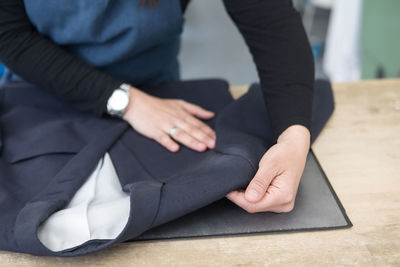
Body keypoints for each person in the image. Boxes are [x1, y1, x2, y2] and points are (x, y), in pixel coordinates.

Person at [0, 0, 314, 214]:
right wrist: (127, 102)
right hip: (41, 91)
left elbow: (272, 26)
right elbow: (8, 34)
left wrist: (293, 138)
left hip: (157, 88)